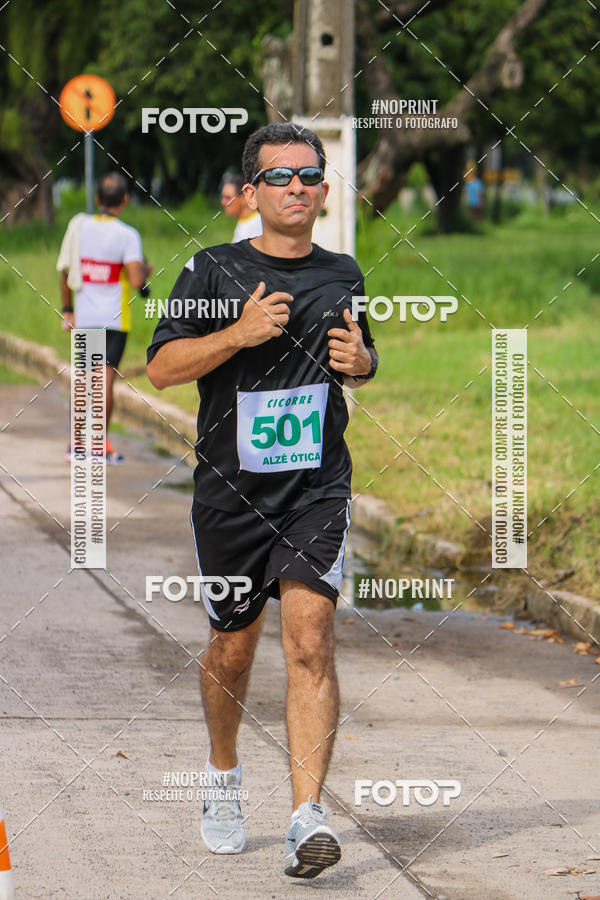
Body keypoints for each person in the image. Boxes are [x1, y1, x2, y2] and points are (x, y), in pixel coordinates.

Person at [146, 122, 378, 879]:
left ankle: (307, 816)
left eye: (309, 176)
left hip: (316, 486)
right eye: (279, 178)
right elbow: (161, 368)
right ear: (249, 193)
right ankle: (221, 774)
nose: (297, 189)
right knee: (233, 650)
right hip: (230, 494)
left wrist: (364, 361)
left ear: (323, 188)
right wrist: (238, 335)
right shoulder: (212, 270)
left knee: (311, 638)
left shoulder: (343, 272)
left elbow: (358, 352)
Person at [57, 172, 152, 463]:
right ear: (124, 200)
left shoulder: (79, 227)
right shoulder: (127, 235)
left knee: (83, 381)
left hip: (85, 317)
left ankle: (76, 444)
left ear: (97, 200)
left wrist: (68, 309)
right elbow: (136, 279)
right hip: (114, 319)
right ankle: (99, 446)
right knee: (104, 381)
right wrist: (145, 274)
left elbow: (64, 271)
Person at [220, 172, 262, 242]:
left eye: (228, 198)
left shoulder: (255, 229)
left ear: (244, 197)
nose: (222, 202)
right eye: (223, 197)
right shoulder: (246, 224)